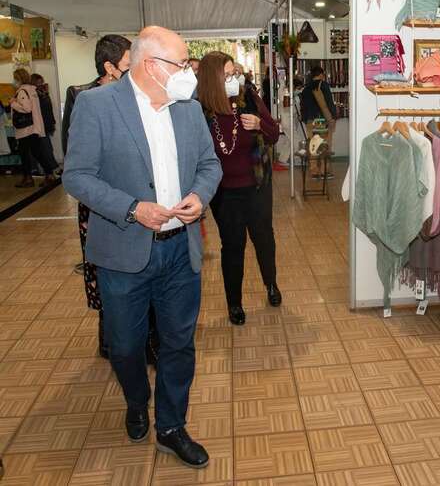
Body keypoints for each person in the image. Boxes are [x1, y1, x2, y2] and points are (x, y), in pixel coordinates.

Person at [63, 26, 222, 468]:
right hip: (123, 253)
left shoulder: (189, 108)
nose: (189, 72)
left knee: (178, 343)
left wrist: (200, 195)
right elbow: (77, 176)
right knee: (125, 345)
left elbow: (209, 164)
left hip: (180, 250)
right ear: (151, 66)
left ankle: (171, 426)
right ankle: (137, 400)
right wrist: (133, 209)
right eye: (182, 63)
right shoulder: (97, 106)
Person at [62, 34, 161, 364]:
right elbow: (76, 163)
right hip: (101, 204)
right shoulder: (83, 97)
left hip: (142, 198)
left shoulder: (142, 97)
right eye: (129, 63)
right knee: (108, 271)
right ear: (110, 67)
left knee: (143, 264)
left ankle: (147, 338)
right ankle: (112, 338)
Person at [196, 51, 282, 326]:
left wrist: (260, 124)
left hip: (256, 185)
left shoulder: (249, 99)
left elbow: (274, 134)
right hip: (223, 193)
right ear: (212, 80)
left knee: (263, 238)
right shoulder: (198, 111)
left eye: (234, 73)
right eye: (227, 75)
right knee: (232, 246)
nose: (234, 79)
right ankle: (234, 302)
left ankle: (271, 284)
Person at [10, 68, 59, 188]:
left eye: (15, 78)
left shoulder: (22, 91)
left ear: (18, 79)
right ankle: (43, 175)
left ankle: (32, 178)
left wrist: (13, 103)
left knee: (27, 154)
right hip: (34, 126)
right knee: (36, 152)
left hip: (25, 129)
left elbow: (27, 108)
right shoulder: (32, 90)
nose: (13, 81)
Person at [300, 66, 337, 179]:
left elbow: (303, 106)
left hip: (310, 120)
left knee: (313, 145)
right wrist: (333, 117)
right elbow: (329, 102)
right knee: (324, 144)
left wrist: (306, 119)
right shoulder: (323, 85)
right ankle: (325, 171)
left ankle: (314, 171)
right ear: (321, 74)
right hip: (321, 120)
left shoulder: (306, 88)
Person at [30, 73, 59, 171]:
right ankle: (52, 168)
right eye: (38, 82)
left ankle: (51, 168)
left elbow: (48, 110)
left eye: (41, 82)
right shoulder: (37, 94)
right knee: (45, 148)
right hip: (41, 125)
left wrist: (52, 123)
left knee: (46, 147)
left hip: (45, 124)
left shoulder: (42, 93)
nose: (40, 84)